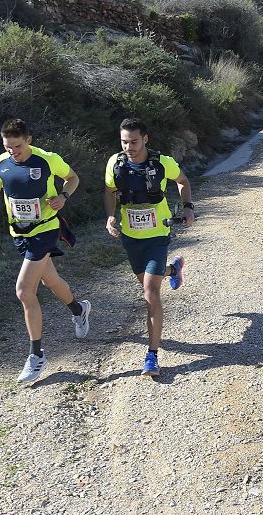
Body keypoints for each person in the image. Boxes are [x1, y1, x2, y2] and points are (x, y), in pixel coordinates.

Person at [0, 118, 90, 384]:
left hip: (46, 228)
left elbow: (72, 178)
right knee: (49, 280)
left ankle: (36, 355)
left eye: (16, 147)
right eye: (7, 147)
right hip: (20, 232)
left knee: (24, 290)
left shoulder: (47, 159)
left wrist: (63, 197)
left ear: (28, 140)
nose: (12, 152)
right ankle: (79, 310)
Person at [104, 118, 195, 377]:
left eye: (134, 141)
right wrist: (111, 216)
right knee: (146, 280)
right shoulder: (115, 163)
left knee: (150, 293)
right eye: (124, 142)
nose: (129, 147)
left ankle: (152, 356)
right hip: (130, 236)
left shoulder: (162, 162)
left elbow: (183, 181)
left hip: (158, 234)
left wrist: (187, 207)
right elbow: (109, 191)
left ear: (146, 139)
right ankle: (172, 270)